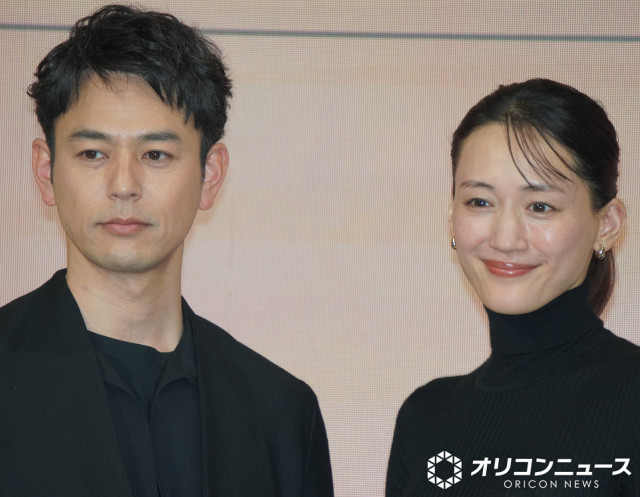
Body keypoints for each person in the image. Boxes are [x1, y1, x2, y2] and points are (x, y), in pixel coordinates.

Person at [0, 5, 333, 497]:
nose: (124, 185)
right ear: (46, 170)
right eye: (93, 153)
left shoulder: (281, 414)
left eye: (156, 154)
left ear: (209, 175)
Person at [386, 79, 639, 496]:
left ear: (607, 225)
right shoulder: (426, 416)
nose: (505, 239)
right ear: (451, 217)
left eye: (540, 206)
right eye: (480, 202)